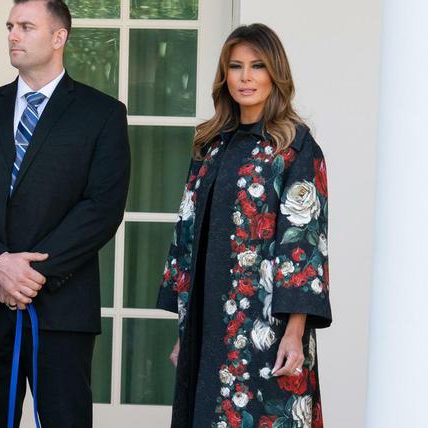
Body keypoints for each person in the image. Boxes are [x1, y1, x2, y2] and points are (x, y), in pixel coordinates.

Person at [0, 0, 129, 425]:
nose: (12, 35)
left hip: (62, 306)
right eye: (10, 26)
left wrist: (29, 274)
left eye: (25, 26)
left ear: (59, 37)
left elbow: (102, 207)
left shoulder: (102, 114)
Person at [157, 23, 331, 428]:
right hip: (207, 319)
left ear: (275, 74)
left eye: (257, 66)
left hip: (264, 325)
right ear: (225, 76)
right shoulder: (210, 145)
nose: (246, 76)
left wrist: (294, 333)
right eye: (236, 66)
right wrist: (186, 327)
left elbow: (304, 241)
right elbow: (187, 236)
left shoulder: (295, 148)